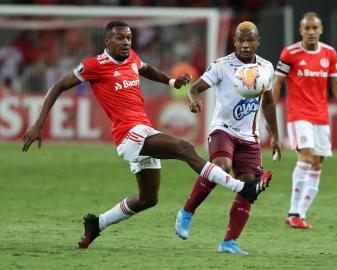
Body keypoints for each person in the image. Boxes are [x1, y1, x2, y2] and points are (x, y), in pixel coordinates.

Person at [21, 21, 274, 249]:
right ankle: (242, 187)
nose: (126, 42)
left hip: (143, 131)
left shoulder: (131, 57)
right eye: (120, 38)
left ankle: (97, 224)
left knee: (148, 198)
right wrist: (38, 123)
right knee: (185, 148)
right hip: (128, 133)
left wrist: (171, 82)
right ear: (107, 41)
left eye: (129, 38)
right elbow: (58, 86)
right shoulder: (93, 65)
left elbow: (146, 68)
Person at [174, 21, 281, 254]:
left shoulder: (266, 68)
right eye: (240, 40)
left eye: (250, 39)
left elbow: (269, 102)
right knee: (221, 166)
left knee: (249, 185)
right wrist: (193, 100)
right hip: (222, 129)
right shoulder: (221, 66)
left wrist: (275, 135)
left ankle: (229, 242)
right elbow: (194, 88)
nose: (245, 44)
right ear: (234, 42)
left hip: (249, 136)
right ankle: (187, 211)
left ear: (258, 41)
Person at [272, 12, 337, 229]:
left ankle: (300, 215)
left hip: (322, 117)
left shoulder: (329, 53)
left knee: (317, 164)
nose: (311, 32)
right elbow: (278, 83)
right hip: (298, 114)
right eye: (307, 28)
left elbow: (336, 85)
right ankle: (293, 211)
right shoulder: (290, 53)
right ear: (301, 31)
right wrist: (271, 110)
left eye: (315, 28)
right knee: (306, 157)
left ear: (321, 30)